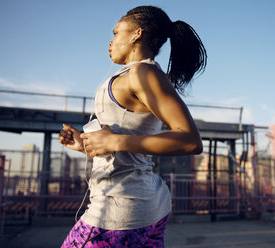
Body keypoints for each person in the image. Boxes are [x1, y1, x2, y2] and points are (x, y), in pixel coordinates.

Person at [59, 5, 207, 248]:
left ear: (136, 33)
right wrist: (86, 145)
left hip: (118, 213)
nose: (111, 41)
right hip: (141, 208)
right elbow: (126, 145)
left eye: (116, 33)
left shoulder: (143, 73)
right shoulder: (132, 75)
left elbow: (190, 140)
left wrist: (113, 141)